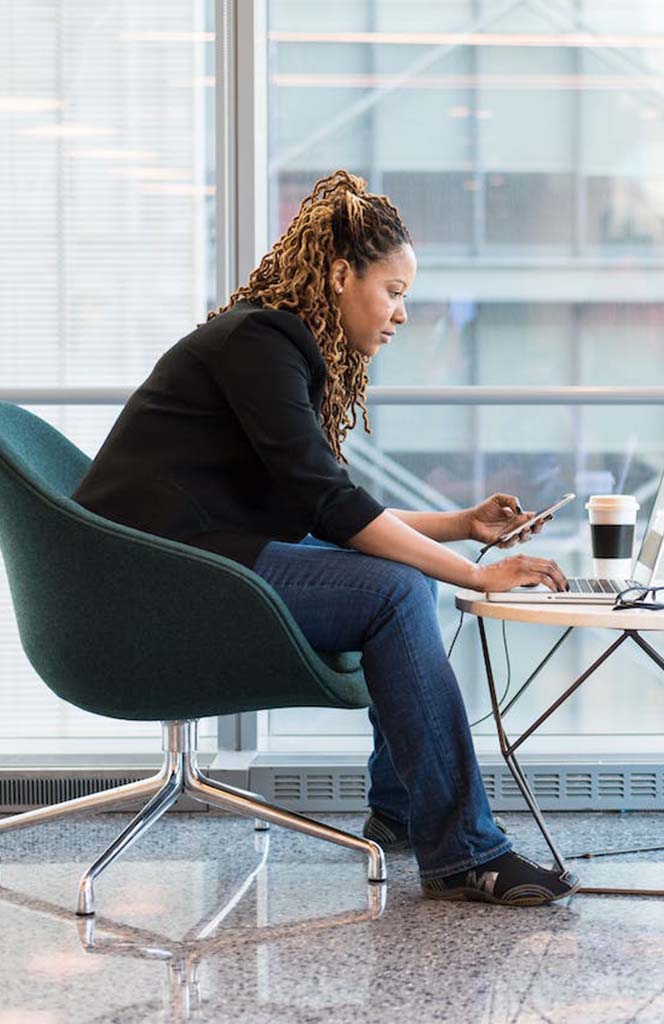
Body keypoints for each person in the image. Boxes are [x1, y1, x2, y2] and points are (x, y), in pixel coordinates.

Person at [72, 169, 578, 907]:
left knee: (402, 575)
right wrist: (474, 573)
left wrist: (461, 528)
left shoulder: (271, 346)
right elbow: (334, 506)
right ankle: (465, 852)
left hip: (182, 560)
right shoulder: (262, 342)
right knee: (399, 587)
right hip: (151, 578)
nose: (402, 313)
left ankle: (404, 813)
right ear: (341, 274)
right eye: (394, 291)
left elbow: (329, 505)